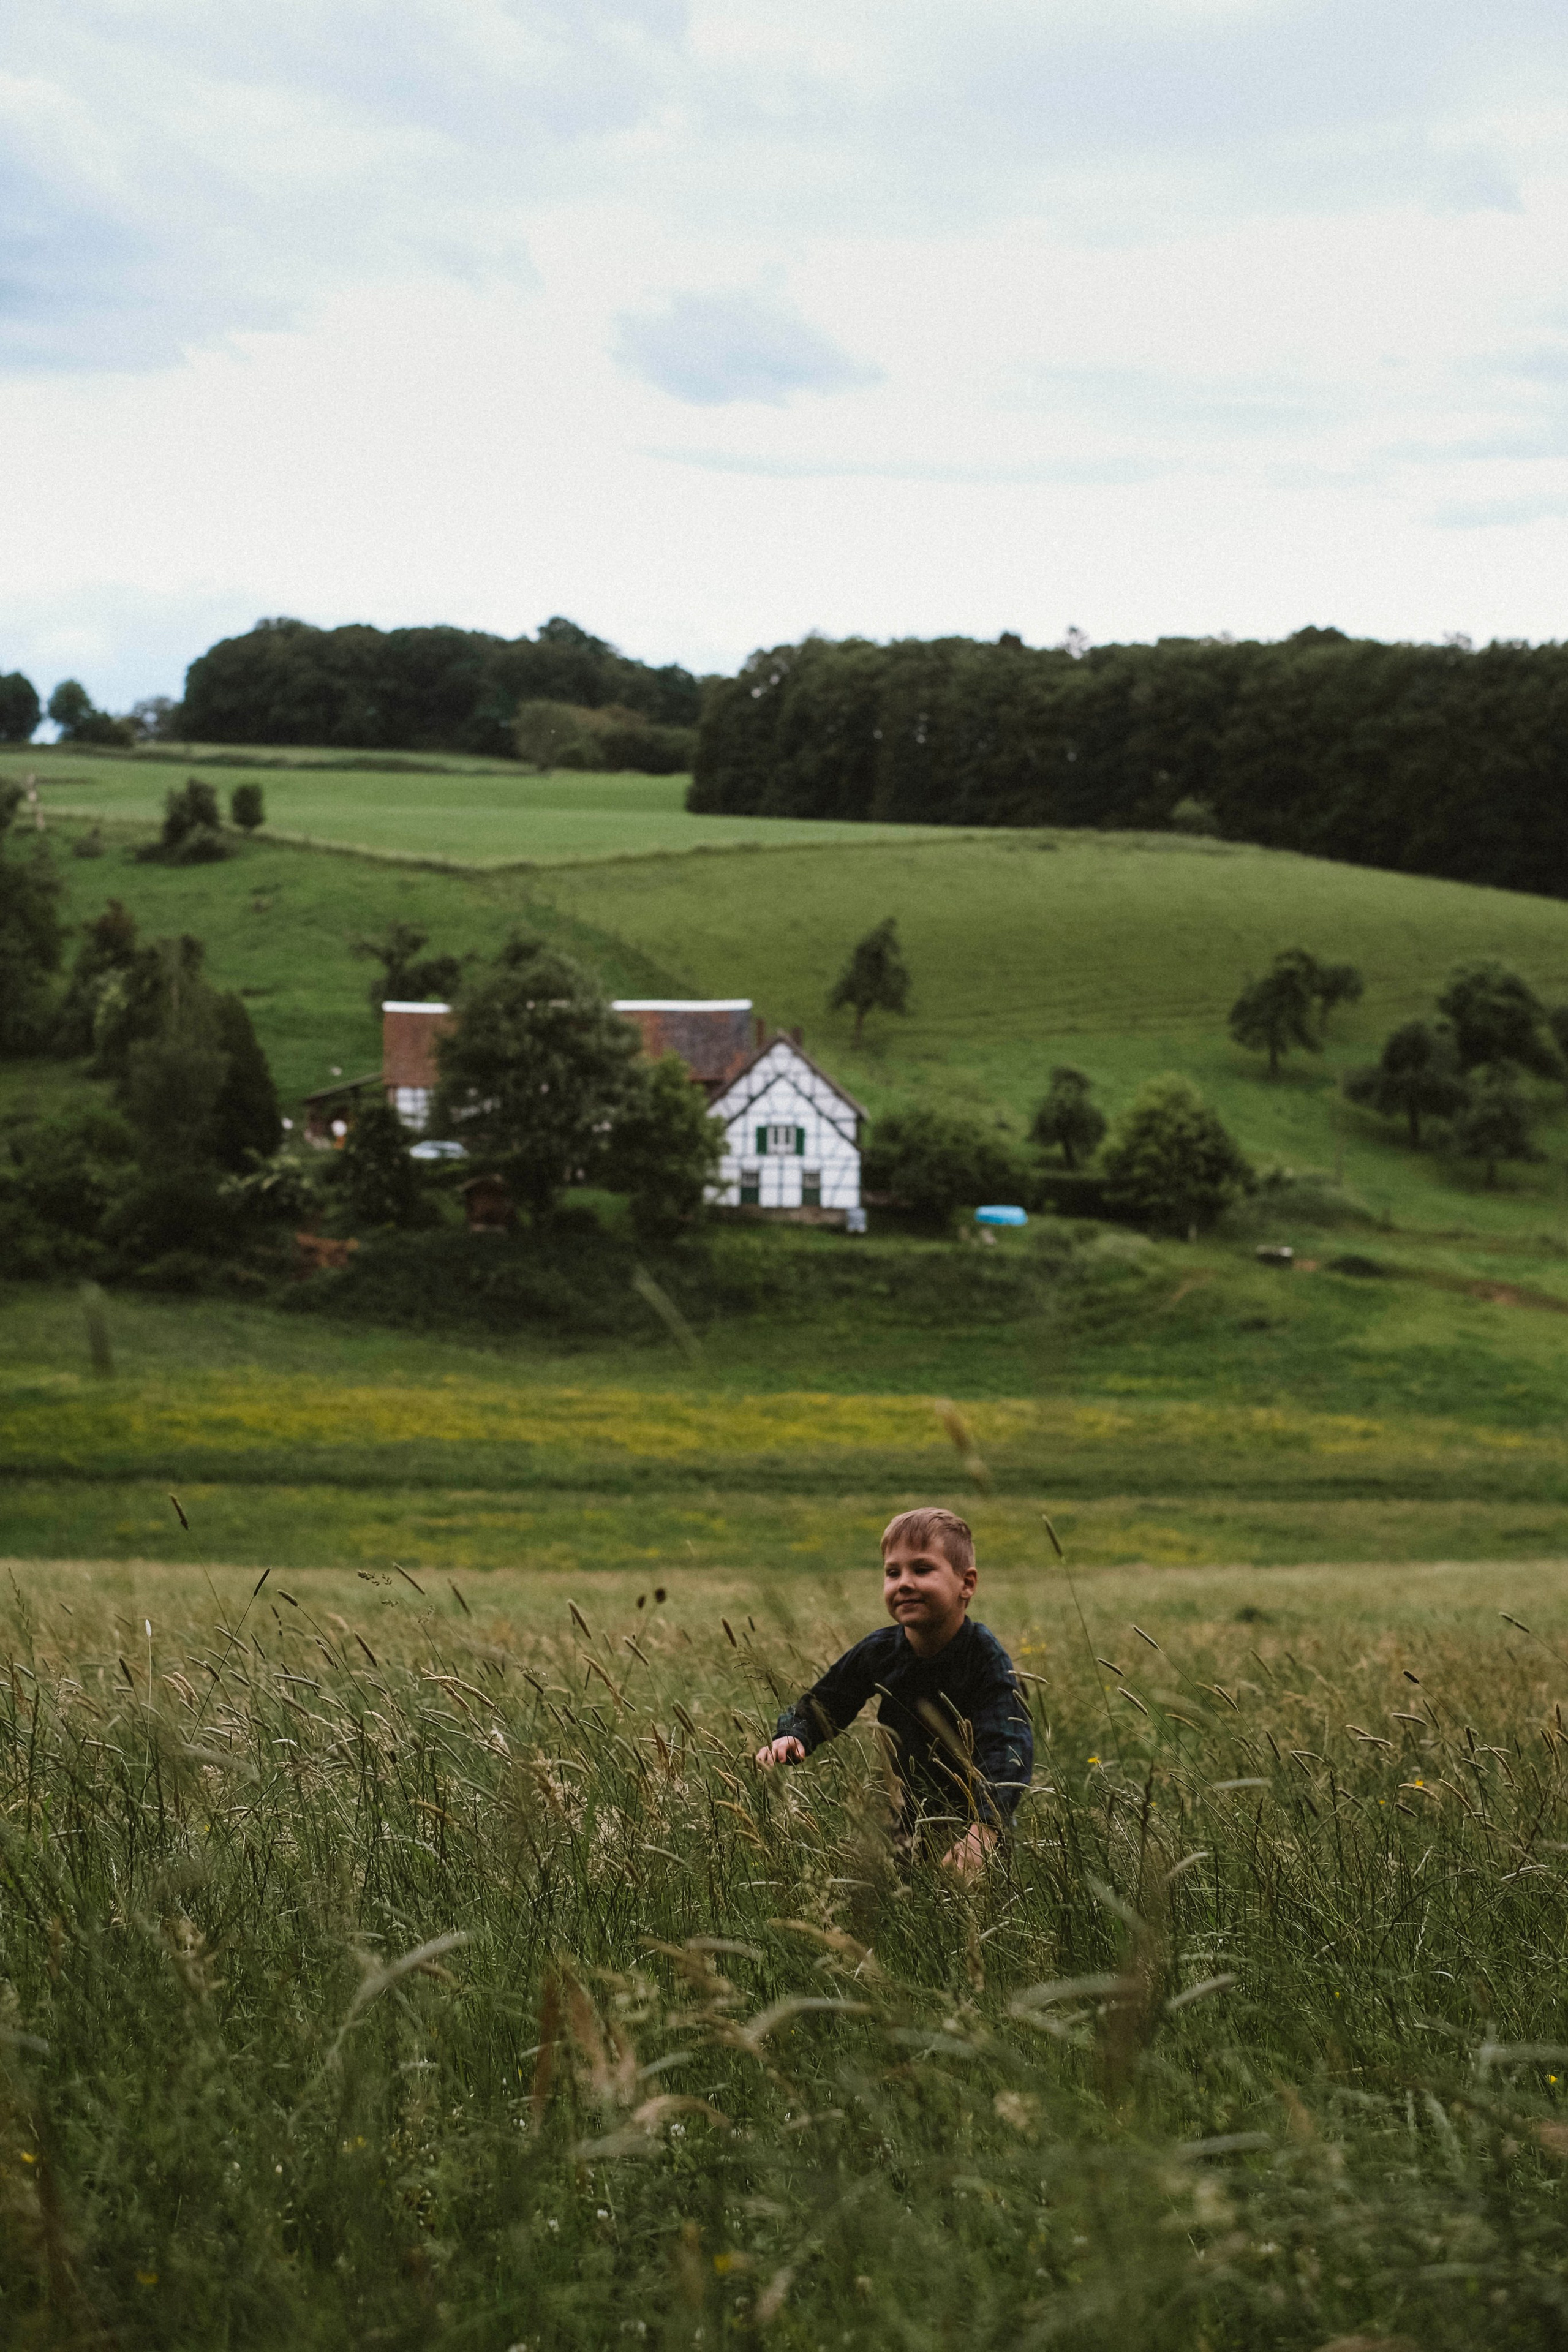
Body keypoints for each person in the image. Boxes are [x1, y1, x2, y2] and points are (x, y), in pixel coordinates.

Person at [754, 1506, 1033, 1874]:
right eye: (892, 1572)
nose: (904, 1583)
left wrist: (983, 1831)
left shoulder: (984, 1657)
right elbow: (828, 1700)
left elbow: (1008, 1748)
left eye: (922, 1569)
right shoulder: (881, 1650)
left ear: (967, 1584)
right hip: (904, 1816)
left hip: (977, 1827)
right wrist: (796, 1735)